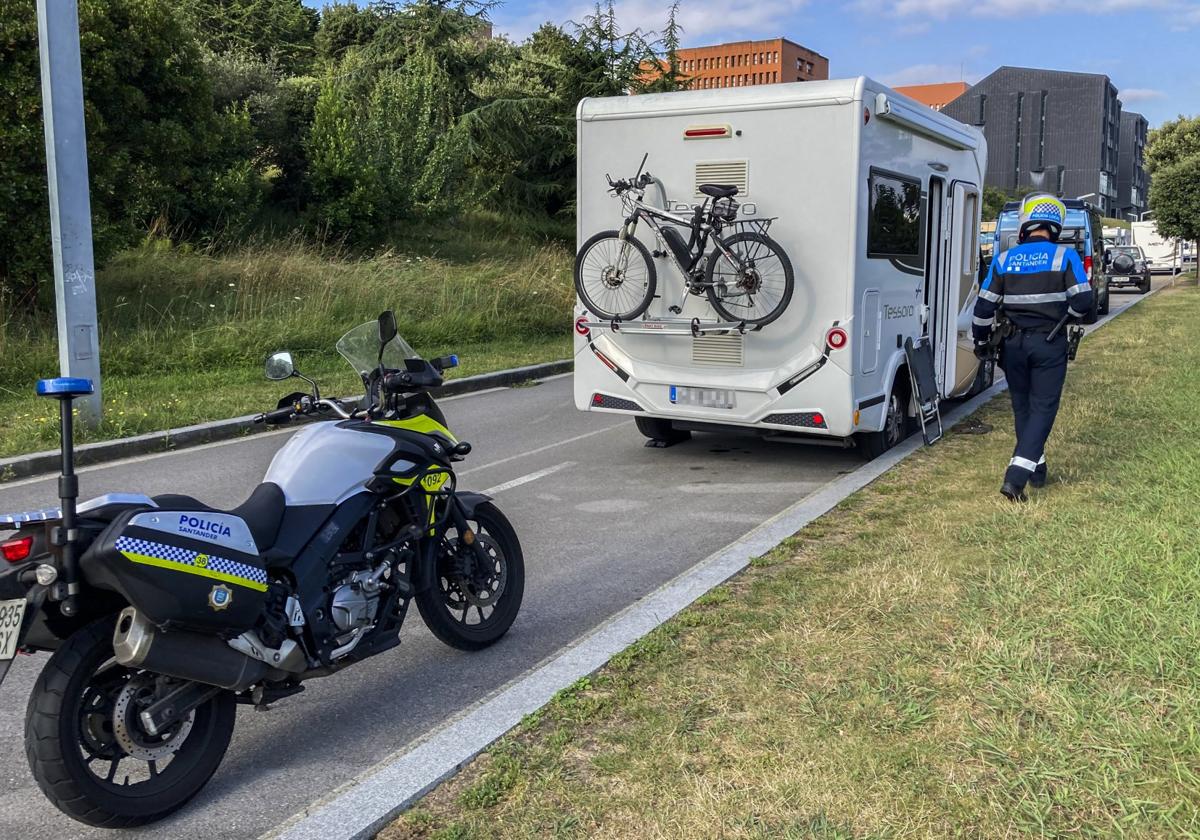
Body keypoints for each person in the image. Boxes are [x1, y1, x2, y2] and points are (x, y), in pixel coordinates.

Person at [972, 194, 1093, 501]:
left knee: (1023, 406)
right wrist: (1067, 315)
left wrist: (982, 342)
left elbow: (983, 310)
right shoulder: (1065, 257)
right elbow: (1083, 303)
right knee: (1043, 408)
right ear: (1056, 228)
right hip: (1049, 342)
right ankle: (1016, 478)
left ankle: (1037, 469)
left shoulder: (1003, 259)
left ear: (1025, 225)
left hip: (1011, 344)